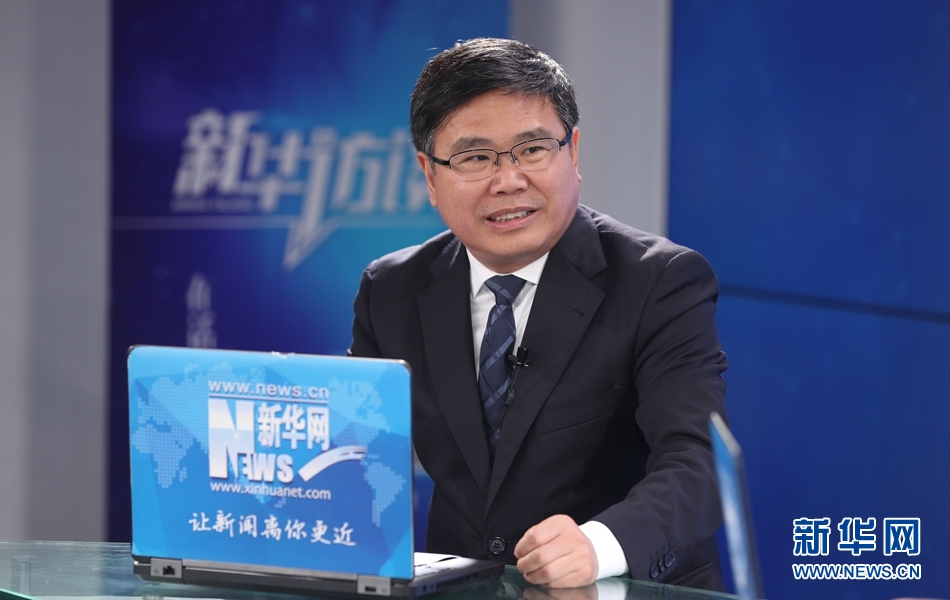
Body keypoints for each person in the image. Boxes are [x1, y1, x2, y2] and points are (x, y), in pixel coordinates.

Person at [348, 37, 728, 591]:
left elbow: (699, 460)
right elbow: (356, 460)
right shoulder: (391, 290)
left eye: (532, 149)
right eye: (475, 158)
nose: (508, 181)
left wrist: (599, 544)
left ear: (572, 153)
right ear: (430, 175)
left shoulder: (660, 281)